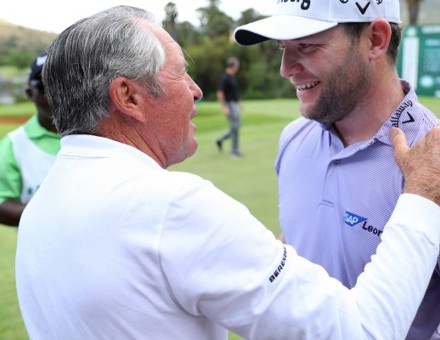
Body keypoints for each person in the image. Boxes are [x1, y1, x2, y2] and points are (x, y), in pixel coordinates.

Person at [14, 5, 440, 340]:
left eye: (307, 46)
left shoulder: (43, 206)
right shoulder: (173, 207)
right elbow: (359, 331)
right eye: (181, 73)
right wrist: (421, 195)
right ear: (127, 96)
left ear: (377, 38)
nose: (197, 89)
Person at [234, 0, 440, 338]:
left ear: (375, 39)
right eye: (284, 49)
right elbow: (300, 238)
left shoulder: (432, 169)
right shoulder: (293, 138)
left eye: (306, 46)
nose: (286, 68)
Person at [0, 52, 60, 227]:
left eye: (65, 84)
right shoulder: (14, 145)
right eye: (46, 87)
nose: (59, 94)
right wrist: (45, 216)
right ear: (29, 92)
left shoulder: (99, 132)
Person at [215, 57, 242, 157]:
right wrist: (224, 107)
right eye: (237, 66)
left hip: (234, 104)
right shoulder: (225, 77)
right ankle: (234, 151)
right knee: (235, 127)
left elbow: (234, 92)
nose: (238, 68)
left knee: (236, 126)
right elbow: (220, 92)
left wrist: (239, 102)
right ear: (233, 66)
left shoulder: (232, 77)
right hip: (229, 104)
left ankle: (220, 140)